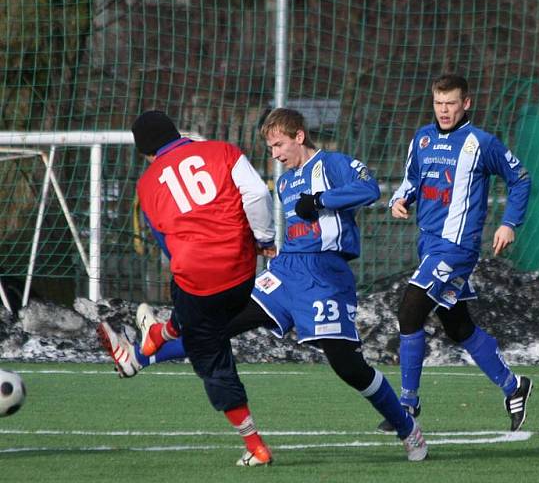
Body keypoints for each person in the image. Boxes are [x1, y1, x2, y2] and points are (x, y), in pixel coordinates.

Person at [99, 107, 428, 462]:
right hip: (286, 271)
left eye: (279, 145)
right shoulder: (286, 181)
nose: (275, 155)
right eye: (270, 148)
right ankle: (137, 358)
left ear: (299, 136)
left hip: (326, 275)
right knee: (215, 327)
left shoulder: (332, 164)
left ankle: (406, 427)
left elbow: (369, 188)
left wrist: (320, 200)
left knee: (347, 365)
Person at [97, 110, 277, 467]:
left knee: (210, 357)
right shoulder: (223, 150)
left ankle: (257, 447)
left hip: (195, 279)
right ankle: (149, 344)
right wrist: (264, 238)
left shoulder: (147, 184)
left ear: (145, 152)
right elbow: (256, 193)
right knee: (204, 325)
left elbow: (165, 243)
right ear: (178, 133)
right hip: (242, 275)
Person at [385, 73, 533, 433]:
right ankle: (514, 386)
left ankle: (407, 403)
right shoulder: (421, 138)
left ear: (466, 103)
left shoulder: (481, 143)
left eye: (451, 103)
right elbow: (411, 180)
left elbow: (520, 179)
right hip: (429, 247)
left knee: (410, 309)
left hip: (458, 247)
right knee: (457, 325)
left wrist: (509, 223)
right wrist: (399, 199)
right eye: (439, 103)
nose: (444, 110)